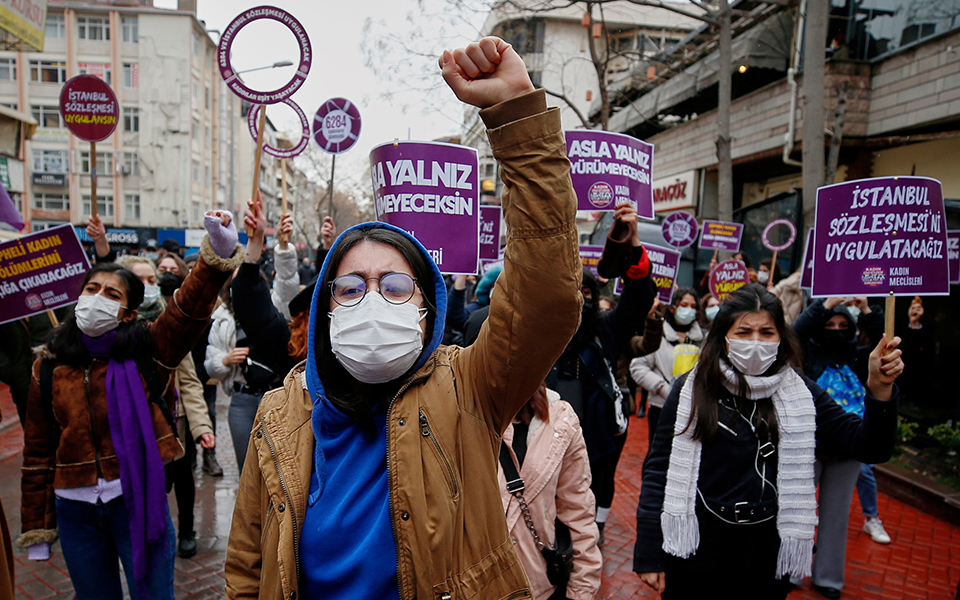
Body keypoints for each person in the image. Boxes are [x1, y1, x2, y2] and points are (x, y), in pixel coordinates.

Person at [223, 37, 582, 600]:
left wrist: (516, 116)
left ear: (426, 308)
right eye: (349, 288)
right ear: (324, 310)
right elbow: (248, 564)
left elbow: (548, 295)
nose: (371, 300)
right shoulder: (279, 413)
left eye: (394, 286)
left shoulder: (470, 388)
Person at [18, 212, 242, 600]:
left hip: (137, 500)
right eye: (91, 289)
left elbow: (186, 313)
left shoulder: (148, 351)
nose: (97, 298)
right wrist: (38, 526)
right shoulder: (49, 364)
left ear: (129, 313)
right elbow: (38, 449)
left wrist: (215, 255)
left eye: (112, 294)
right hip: (75, 510)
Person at [633, 284, 902, 599]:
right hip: (695, 546)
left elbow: (871, 447)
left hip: (765, 553)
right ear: (723, 337)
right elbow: (658, 471)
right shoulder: (691, 390)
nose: (755, 342)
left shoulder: (801, 393)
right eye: (744, 332)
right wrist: (649, 550)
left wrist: (880, 390)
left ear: (781, 338)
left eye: (766, 332)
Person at [547, 202, 656, 546]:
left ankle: (595, 528)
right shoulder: (539, 334)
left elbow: (637, 301)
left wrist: (633, 244)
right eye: (574, 291)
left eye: (589, 292)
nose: (582, 299)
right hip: (545, 431)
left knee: (597, 482)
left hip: (596, 432)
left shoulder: (605, 330)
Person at [118, 255, 216, 558]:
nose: (148, 287)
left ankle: (186, 530)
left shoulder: (171, 326)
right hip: (133, 425)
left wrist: (201, 426)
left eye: (152, 280)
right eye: (141, 280)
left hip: (176, 422)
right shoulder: (111, 330)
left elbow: (188, 381)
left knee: (183, 478)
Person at [791, 296, 890, 598]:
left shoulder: (861, 358)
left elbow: (886, 339)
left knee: (837, 515)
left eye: (842, 325)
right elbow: (794, 332)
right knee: (798, 513)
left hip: (848, 450)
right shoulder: (804, 355)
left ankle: (829, 579)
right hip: (809, 445)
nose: (836, 330)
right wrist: (825, 304)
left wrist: (867, 310)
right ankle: (791, 570)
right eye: (829, 324)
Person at [498, 383, 602, 600]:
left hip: (539, 584)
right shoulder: (463, 414)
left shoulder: (560, 421)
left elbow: (578, 510)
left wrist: (581, 591)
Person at [630, 287, 704, 443]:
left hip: (694, 409)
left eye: (693, 306)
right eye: (684, 305)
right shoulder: (658, 335)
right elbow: (637, 367)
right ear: (673, 307)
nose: (688, 310)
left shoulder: (704, 338)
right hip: (662, 407)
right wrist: (662, 388)